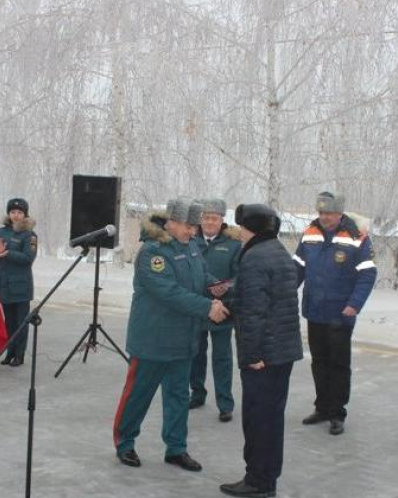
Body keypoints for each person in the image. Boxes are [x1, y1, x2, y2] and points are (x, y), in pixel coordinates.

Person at [113, 197, 229, 473]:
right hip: (152, 341)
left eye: (194, 227)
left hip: (183, 339)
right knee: (138, 394)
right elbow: (169, 293)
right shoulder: (153, 253)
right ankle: (125, 443)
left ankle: (176, 448)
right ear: (171, 222)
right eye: (188, 226)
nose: (193, 232)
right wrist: (207, 308)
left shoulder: (190, 248)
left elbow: (201, 275)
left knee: (177, 396)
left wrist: (216, 286)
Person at [220, 203, 302, 498]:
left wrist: (252, 356)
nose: (239, 232)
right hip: (281, 352)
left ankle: (258, 481)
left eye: (242, 227)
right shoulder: (278, 252)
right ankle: (266, 478)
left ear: (251, 228)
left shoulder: (254, 257)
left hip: (264, 355)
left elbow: (255, 312)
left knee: (258, 419)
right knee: (271, 418)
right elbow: (261, 300)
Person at [294, 191, 377, 436]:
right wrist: (286, 291)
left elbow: (367, 274)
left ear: (340, 214)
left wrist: (354, 304)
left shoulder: (357, 237)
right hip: (314, 310)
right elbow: (297, 266)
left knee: (339, 364)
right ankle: (322, 407)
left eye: (329, 213)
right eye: (321, 213)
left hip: (341, 312)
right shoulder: (309, 233)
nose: (324, 217)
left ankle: (337, 413)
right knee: (319, 363)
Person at [189, 198, 241, 422]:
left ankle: (225, 403)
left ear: (222, 220)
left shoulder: (233, 244)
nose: (210, 222)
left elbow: (241, 275)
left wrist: (227, 286)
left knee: (222, 358)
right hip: (198, 307)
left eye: (214, 218)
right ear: (200, 220)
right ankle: (197, 393)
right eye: (206, 217)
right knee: (195, 355)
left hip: (224, 309)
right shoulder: (190, 241)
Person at [0, 198, 37, 367]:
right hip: (4, 285)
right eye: (13, 212)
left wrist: (7, 253)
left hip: (21, 287)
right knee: (8, 322)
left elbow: (28, 258)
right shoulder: (0, 232)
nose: (16, 215)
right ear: (9, 213)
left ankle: (19, 355)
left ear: (25, 214)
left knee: (21, 323)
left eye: (20, 212)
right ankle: (9, 352)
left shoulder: (29, 235)